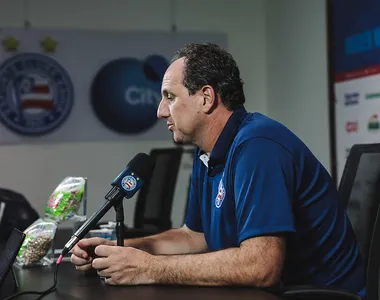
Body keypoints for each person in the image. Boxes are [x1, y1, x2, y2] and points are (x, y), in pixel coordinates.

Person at [71, 43, 366, 296]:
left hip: (315, 295)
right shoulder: (209, 151)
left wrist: (149, 268)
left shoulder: (258, 146)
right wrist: (119, 249)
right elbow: (193, 237)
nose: (160, 111)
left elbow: (261, 267)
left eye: (170, 97)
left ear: (206, 98)